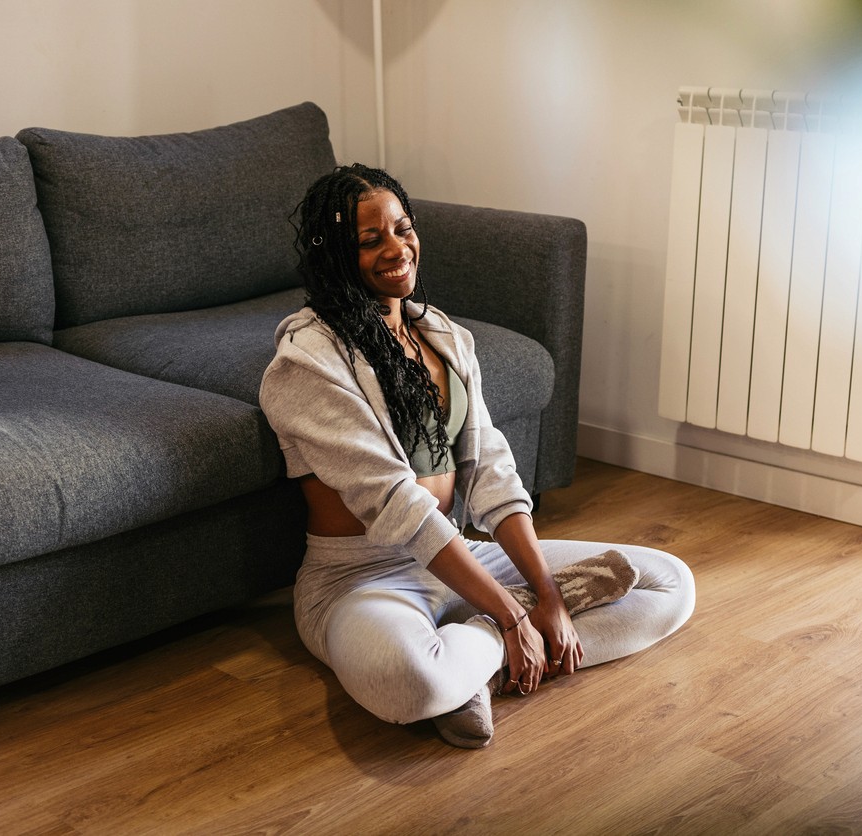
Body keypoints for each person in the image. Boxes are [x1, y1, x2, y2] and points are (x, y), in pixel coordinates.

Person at [258, 163, 695, 748]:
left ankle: (474, 660)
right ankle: (486, 643)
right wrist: (513, 616)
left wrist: (543, 593)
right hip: (360, 580)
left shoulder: (445, 338)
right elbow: (395, 504)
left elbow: (491, 471)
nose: (397, 248)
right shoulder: (306, 365)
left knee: (670, 584)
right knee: (410, 682)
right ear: (334, 255)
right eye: (370, 240)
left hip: (460, 556)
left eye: (403, 228)